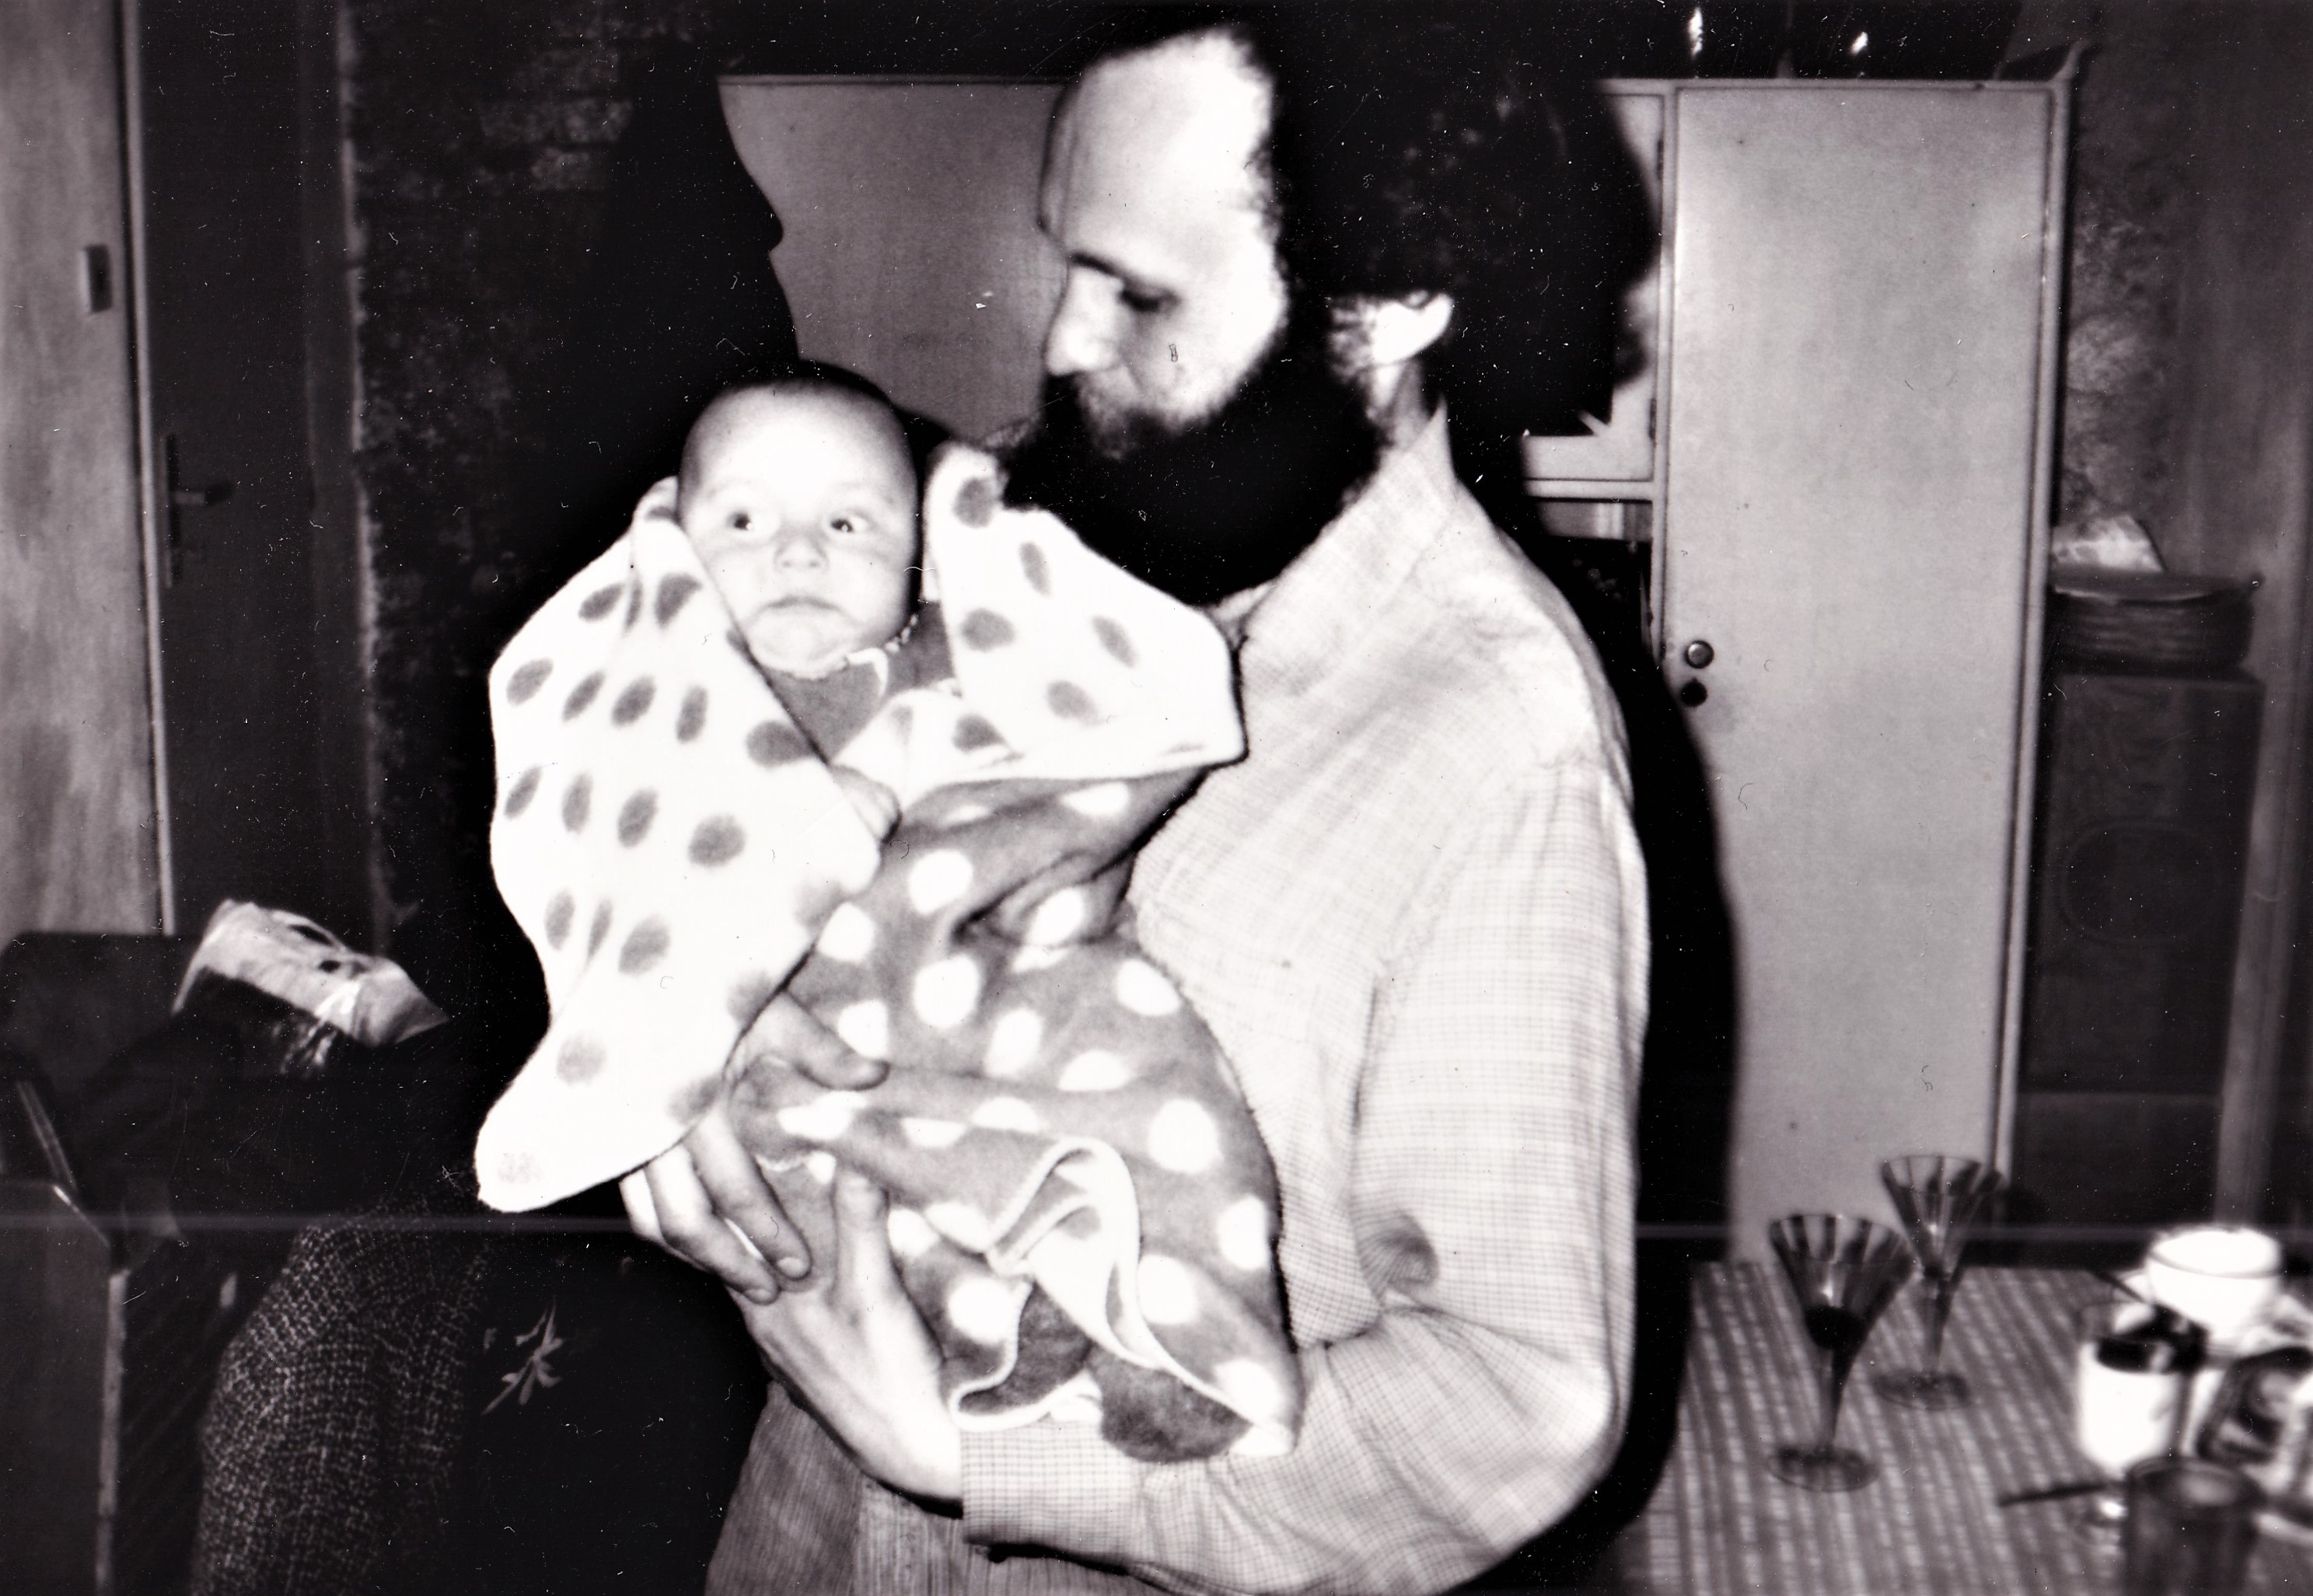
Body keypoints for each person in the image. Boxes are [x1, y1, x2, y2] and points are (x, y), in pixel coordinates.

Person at [626, 12, 1653, 1593]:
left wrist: (978, 1459)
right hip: (801, 1530)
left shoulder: (1501, 748)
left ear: (1390, 303)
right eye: (1066, 263)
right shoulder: (1026, 537)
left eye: (1141, 293)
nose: (1058, 344)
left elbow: (1517, 1399)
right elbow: (729, 775)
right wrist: (691, 1020)